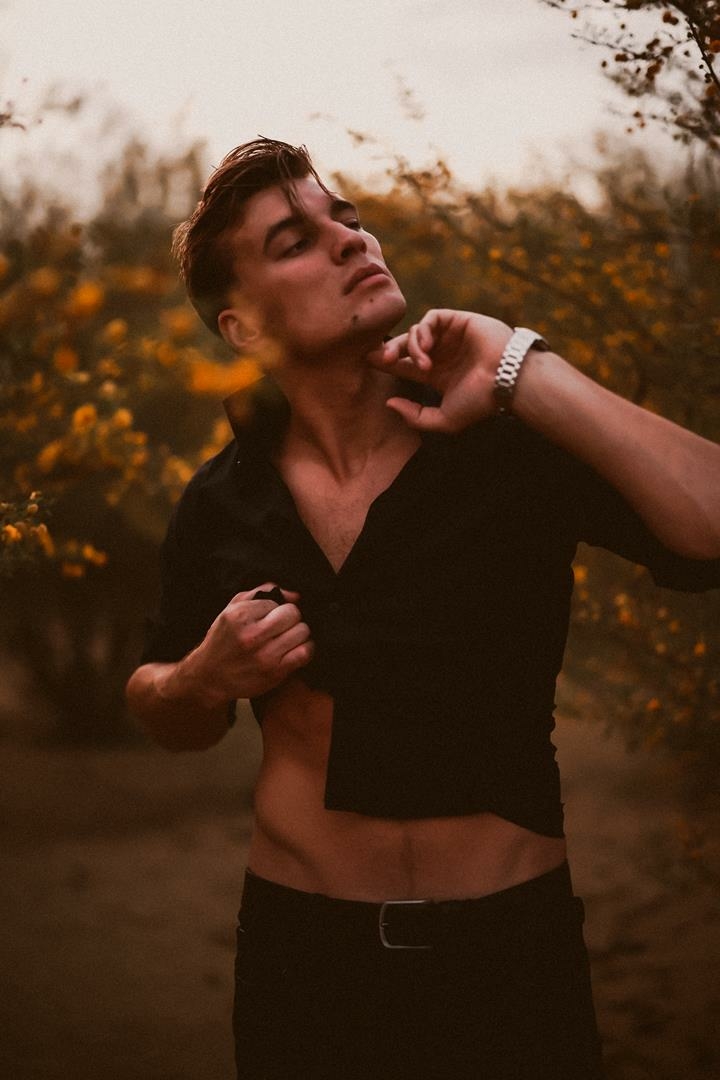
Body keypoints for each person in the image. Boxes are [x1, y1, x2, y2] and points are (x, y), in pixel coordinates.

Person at [125, 138, 720, 1080]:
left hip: (509, 953)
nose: (351, 240)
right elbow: (163, 706)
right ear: (242, 328)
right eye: (295, 241)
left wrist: (520, 363)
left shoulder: (509, 448)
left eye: (348, 219)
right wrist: (201, 676)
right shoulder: (220, 502)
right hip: (303, 959)